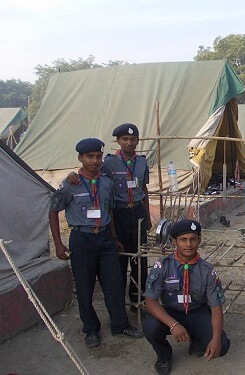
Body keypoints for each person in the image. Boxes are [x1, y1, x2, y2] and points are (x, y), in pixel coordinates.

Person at [49, 138, 143, 348]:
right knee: (84, 287)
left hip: (104, 238)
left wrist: (114, 238)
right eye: (90, 156)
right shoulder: (69, 185)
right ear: (80, 158)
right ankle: (91, 329)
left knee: (115, 283)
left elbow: (108, 210)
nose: (95, 160)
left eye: (98, 156)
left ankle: (120, 325)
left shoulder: (106, 182)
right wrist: (58, 244)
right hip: (82, 239)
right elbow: (53, 211)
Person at [67, 123, 152, 310]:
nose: (129, 143)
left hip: (137, 212)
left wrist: (147, 216)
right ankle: (119, 303)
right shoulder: (108, 162)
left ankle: (137, 301)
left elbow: (144, 189)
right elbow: (92, 178)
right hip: (118, 213)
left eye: (133, 139)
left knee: (140, 259)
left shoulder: (143, 161)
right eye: (124, 139)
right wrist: (71, 175)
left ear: (138, 140)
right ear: (118, 141)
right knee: (119, 259)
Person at [143, 219, 230, 375]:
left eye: (193, 239)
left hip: (197, 312)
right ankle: (164, 355)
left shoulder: (208, 271)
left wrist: (216, 339)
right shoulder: (162, 266)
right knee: (150, 326)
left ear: (199, 241)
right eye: (183, 240)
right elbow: (150, 301)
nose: (188, 244)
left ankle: (196, 342)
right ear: (174, 241)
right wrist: (173, 324)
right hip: (172, 311)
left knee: (222, 346)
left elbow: (216, 307)